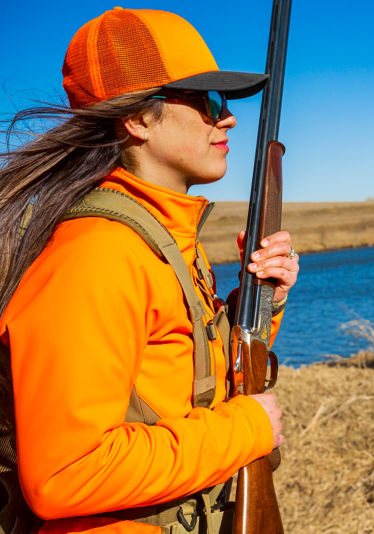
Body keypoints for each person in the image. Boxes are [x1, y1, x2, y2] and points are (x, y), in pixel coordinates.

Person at [0, 8, 298, 533]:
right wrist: (247, 429)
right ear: (138, 119)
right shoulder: (97, 255)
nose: (226, 118)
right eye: (207, 101)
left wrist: (260, 301)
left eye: (224, 103)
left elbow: (183, 387)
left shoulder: (162, 240)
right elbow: (66, 472)